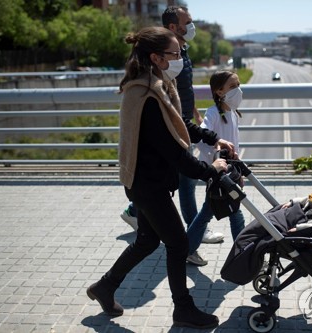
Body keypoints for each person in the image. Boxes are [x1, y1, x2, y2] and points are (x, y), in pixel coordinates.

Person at [87, 26, 232, 329]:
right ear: (155, 56)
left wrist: (211, 138)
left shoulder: (158, 84)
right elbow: (174, 153)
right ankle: (183, 310)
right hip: (146, 184)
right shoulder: (146, 94)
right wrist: (211, 171)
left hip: (148, 182)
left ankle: (104, 287)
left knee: (147, 241)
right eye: (175, 54)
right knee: (178, 244)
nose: (180, 58)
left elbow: (180, 124)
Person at [120, 6, 224, 244]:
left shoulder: (179, 54)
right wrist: (209, 170)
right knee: (186, 179)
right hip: (173, 129)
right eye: (188, 22)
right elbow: (165, 101)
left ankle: (135, 212)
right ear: (172, 28)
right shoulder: (160, 71)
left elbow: (182, 92)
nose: (192, 26)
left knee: (146, 242)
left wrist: (196, 117)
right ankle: (195, 229)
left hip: (182, 121)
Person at [186, 71, 246, 266]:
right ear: (219, 92)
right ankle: (243, 256)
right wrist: (215, 156)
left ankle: (186, 250)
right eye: (232, 86)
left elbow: (234, 144)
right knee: (235, 214)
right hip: (218, 175)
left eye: (238, 84)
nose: (238, 90)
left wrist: (238, 172)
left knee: (207, 213)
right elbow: (202, 139)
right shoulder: (213, 113)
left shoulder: (233, 113)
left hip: (229, 174)